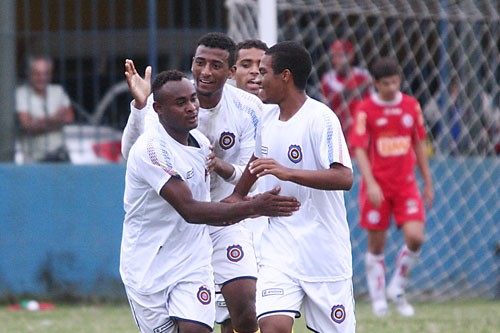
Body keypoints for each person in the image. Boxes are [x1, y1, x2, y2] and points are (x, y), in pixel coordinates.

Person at [120, 69, 299, 333]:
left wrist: (249, 206)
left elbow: (205, 204)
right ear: (158, 109)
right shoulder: (151, 150)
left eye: (193, 99)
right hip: (149, 266)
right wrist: (253, 206)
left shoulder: (202, 144)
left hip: (193, 261)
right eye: (181, 103)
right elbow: (190, 210)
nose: (192, 107)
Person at [226, 41, 356, 333]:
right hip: (280, 249)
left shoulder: (321, 118)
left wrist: (288, 173)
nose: (258, 79)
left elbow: (344, 178)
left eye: (264, 72)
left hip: (323, 252)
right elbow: (257, 160)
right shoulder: (268, 117)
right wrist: (237, 196)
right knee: (272, 326)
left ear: (285, 76)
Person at [349, 57, 434, 317]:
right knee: (377, 245)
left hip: (406, 185)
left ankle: (396, 286)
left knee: (416, 237)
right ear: (376, 84)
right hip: (378, 187)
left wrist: (427, 181)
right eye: (386, 83)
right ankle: (379, 301)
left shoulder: (411, 106)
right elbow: (360, 149)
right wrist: (370, 182)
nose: (392, 87)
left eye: (396, 82)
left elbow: (419, 143)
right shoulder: (365, 109)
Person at [16, 55, 74, 163]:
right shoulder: (21, 94)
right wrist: (56, 118)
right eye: (37, 74)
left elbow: (69, 118)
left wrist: (40, 121)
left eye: (46, 73)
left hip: (60, 157)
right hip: (35, 160)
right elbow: (28, 126)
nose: (42, 78)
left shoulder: (58, 91)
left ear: (51, 74)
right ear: (29, 74)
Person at [321, 39, 372, 139]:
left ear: (350, 56)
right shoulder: (329, 78)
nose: (335, 61)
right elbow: (344, 93)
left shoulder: (362, 74)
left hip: (361, 128)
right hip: (338, 130)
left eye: (340, 56)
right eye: (334, 56)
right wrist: (362, 87)